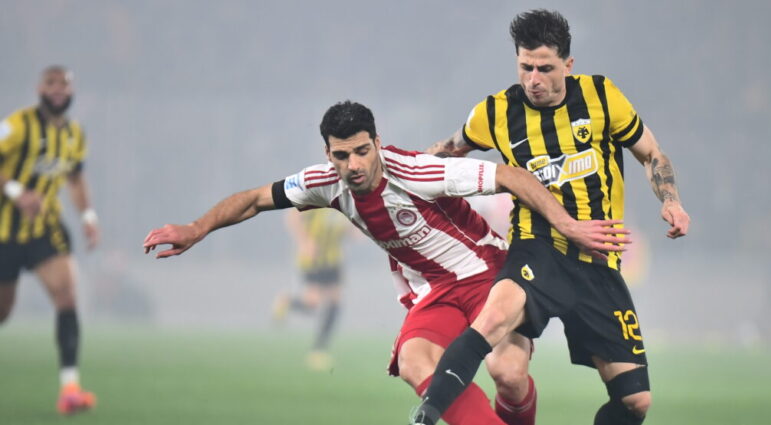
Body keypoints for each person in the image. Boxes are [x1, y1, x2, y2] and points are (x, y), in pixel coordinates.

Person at [142, 101, 625, 425]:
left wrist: (566, 224)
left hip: (486, 272)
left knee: (510, 375)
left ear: (376, 142)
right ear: (328, 154)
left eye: (361, 151)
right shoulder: (324, 182)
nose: (353, 164)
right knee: (415, 361)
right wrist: (196, 228)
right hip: (435, 290)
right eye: (341, 155)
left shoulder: (417, 171)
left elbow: (511, 176)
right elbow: (253, 199)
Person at [411, 10, 690, 425]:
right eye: (525, 67)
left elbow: (651, 153)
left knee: (636, 402)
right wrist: (398, 171)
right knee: (494, 327)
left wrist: (671, 201)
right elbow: (448, 151)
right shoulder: (496, 111)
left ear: (568, 64)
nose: (533, 79)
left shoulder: (601, 96)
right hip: (537, 248)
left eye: (545, 68)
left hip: (598, 261)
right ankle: (426, 416)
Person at [0, 65, 99, 415]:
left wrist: (88, 217)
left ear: (72, 91)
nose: (58, 89)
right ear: (39, 88)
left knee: (67, 295)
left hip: (45, 229)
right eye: (51, 83)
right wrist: (16, 192)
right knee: (3, 312)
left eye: (64, 84)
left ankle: (70, 389)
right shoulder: (17, 125)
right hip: (4, 232)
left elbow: (75, 179)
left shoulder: (74, 134)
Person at [272, 207, 350, 370]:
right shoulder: (316, 198)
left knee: (335, 302)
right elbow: (292, 216)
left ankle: (319, 350)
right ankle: (286, 302)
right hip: (313, 258)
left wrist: (353, 231)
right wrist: (304, 242)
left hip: (334, 259)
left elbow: (346, 226)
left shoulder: (343, 201)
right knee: (313, 302)